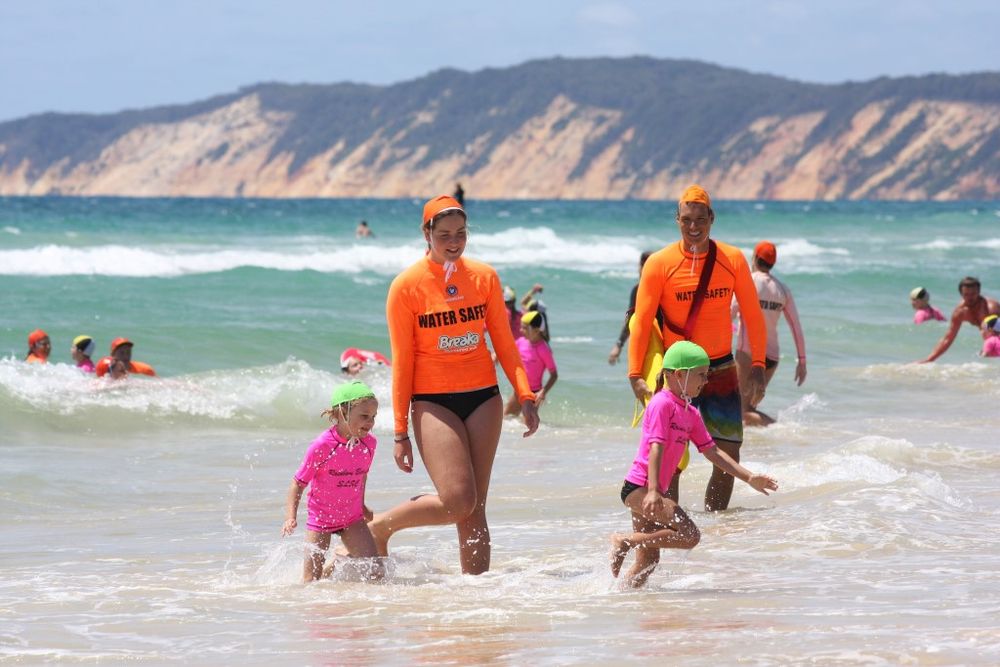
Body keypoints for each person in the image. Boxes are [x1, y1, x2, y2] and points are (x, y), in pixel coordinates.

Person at [370, 194, 539, 575]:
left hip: (484, 398)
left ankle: (475, 597)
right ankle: (380, 526)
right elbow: (402, 363)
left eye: (460, 233)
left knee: (475, 507)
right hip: (433, 402)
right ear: (426, 233)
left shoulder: (484, 277)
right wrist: (400, 432)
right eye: (444, 234)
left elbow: (505, 344)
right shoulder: (406, 286)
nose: (453, 242)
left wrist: (525, 394)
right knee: (458, 501)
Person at [628, 184, 767, 512]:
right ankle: (671, 524)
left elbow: (752, 315)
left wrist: (758, 366)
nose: (693, 227)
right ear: (677, 220)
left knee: (729, 452)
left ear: (712, 218)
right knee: (671, 457)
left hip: (720, 367)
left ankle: (716, 525)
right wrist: (635, 374)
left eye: (700, 220)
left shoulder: (732, 259)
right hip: (677, 374)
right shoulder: (659, 263)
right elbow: (642, 320)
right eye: (687, 220)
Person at [610, 341, 778, 589]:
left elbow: (714, 452)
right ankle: (626, 541)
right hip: (641, 487)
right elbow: (656, 447)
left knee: (648, 561)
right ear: (679, 375)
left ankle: (621, 597)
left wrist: (749, 477)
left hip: (650, 490)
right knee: (690, 535)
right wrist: (654, 491)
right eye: (700, 375)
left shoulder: (690, 413)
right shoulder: (661, 403)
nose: (705, 381)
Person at [282, 381, 383, 583]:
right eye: (364, 416)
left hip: (352, 518)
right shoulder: (322, 446)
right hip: (321, 520)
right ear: (342, 413)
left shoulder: (369, 444)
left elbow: (361, 476)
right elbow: (298, 483)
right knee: (310, 582)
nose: (370, 422)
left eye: (373, 417)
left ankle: (340, 560)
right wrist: (290, 517)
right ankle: (335, 564)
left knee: (376, 573)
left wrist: (362, 505)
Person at [733, 241, 806, 427]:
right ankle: (770, 437)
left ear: (755, 258)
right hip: (772, 357)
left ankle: (779, 429)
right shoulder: (782, 289)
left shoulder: (748, 281)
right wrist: (802, 361)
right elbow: (796, 326)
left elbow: (728, 314)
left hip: (748, 353)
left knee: (742, 411)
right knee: (748, 408)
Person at [918, 277, 1000, 363]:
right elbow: (948, 338)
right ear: (961, 294)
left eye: (973, 294)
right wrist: (929, 359)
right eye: (966, 294)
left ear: (979, 292)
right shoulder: (960, 312)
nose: (970, 297)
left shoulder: (990, 308)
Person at [504, 311, 557, 417]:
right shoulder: (521, 342)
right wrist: (496, 355)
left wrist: (543, 391)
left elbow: (554, 375)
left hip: (534, 394)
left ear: (536, 330)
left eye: (524, 328)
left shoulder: (544, 349)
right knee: (506, 417)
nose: (520, 330)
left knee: (528, 422)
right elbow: (507, 349)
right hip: (519, 390)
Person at [609, 251, 654, 365]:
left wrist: (618, 345)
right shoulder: (639, 290)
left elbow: (631, 319)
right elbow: (631, 319)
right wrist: (619, 345)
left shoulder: (641, 290)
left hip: (652, 345)